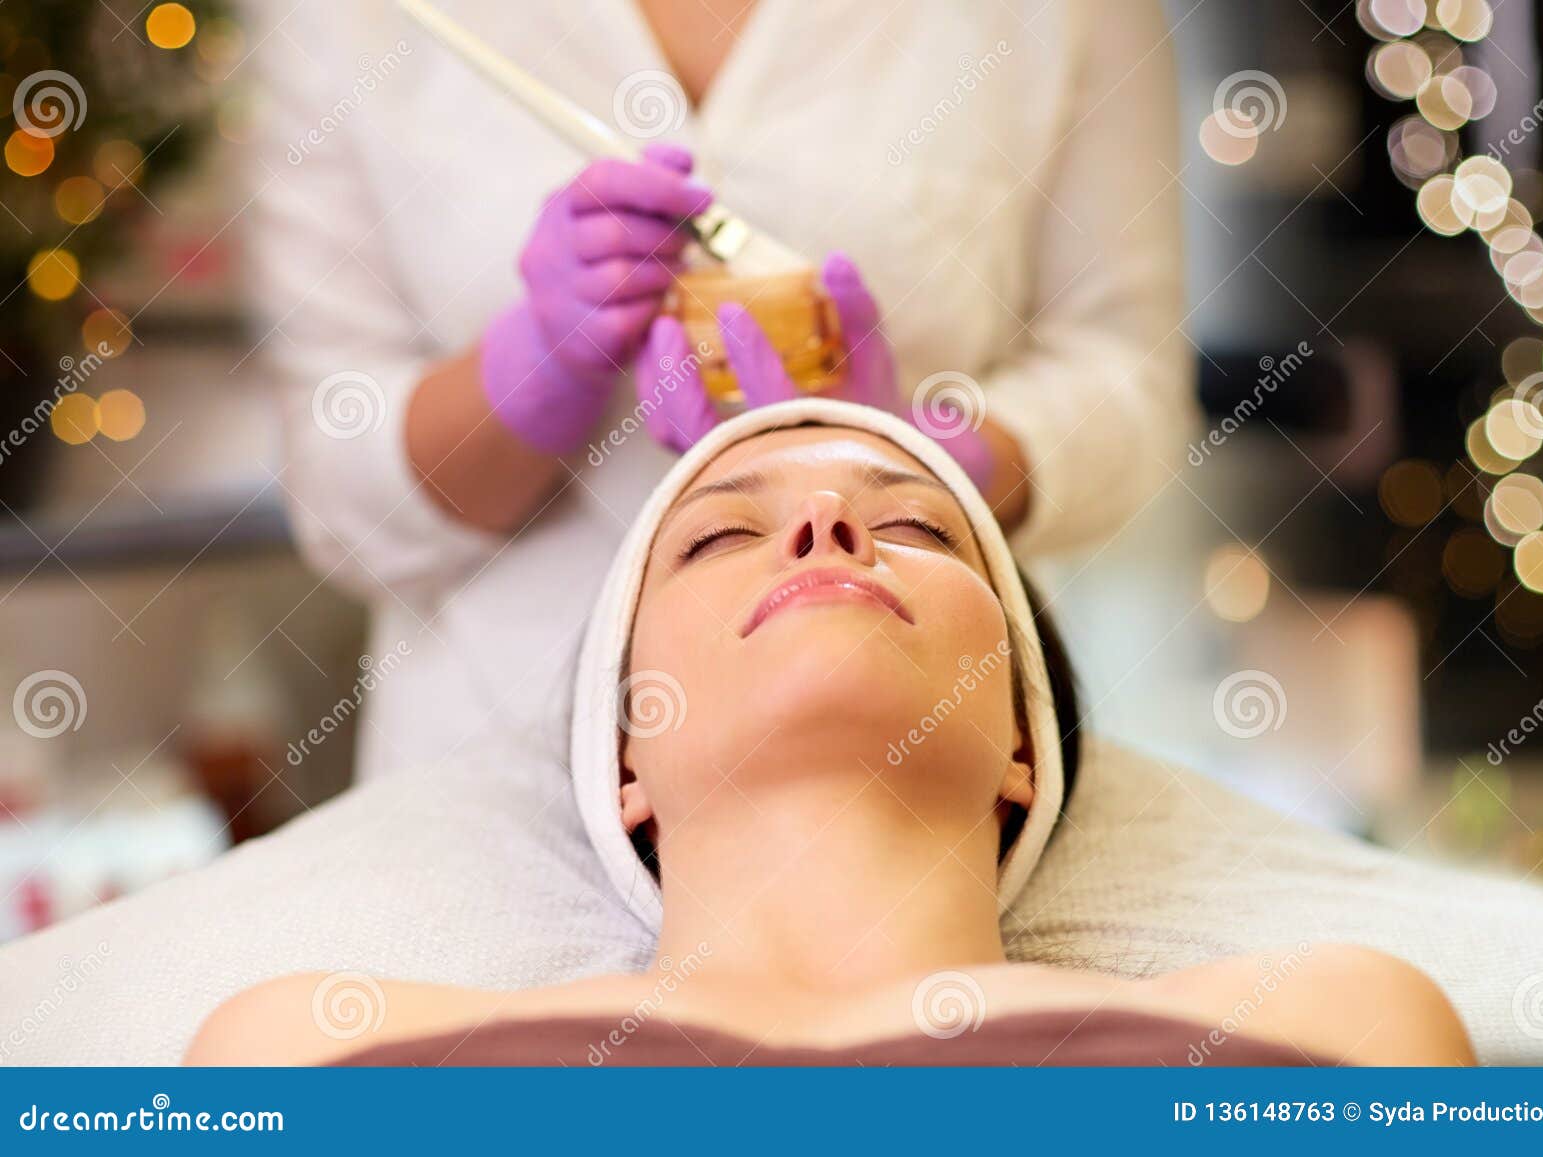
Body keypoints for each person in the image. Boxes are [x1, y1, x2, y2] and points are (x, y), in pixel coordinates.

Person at [186, 387, 1470, 1067]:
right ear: (621, 751)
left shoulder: (1333, 1026)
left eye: (913, 523)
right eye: (721, 532)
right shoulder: (301, 1046)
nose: (822, 529)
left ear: (1026, 736)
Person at [251, 0, 1195, 780]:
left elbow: (1131, 384)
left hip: (913, 761)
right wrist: (530, 369)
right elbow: (339, 495)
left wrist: (920, 455)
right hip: (490, 775)